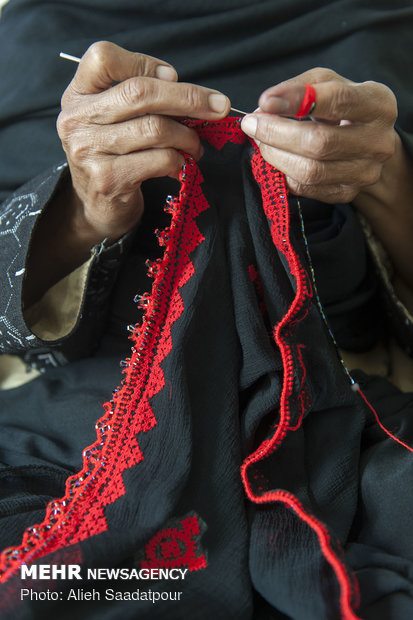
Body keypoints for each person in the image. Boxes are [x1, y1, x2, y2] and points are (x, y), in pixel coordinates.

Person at [0, 1, 412, 618]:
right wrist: (82, 212)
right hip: (81, 426)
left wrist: (390, 177)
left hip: (343, 408)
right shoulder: (32, 35)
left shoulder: (384, 18)